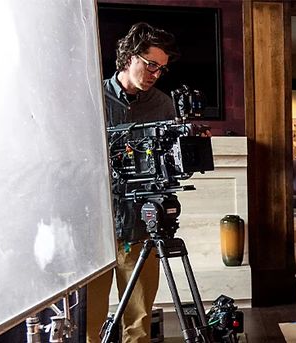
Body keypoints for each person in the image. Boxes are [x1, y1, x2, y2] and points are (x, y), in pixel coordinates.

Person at [86, 22, 180, 343]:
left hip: (141, 226)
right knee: (90, 325)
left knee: (139, 323)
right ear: (128, 56)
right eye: (150, 64)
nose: (155, 73)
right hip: (96, 229)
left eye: (161, 69)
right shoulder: (93, 98)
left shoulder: (163, 105)